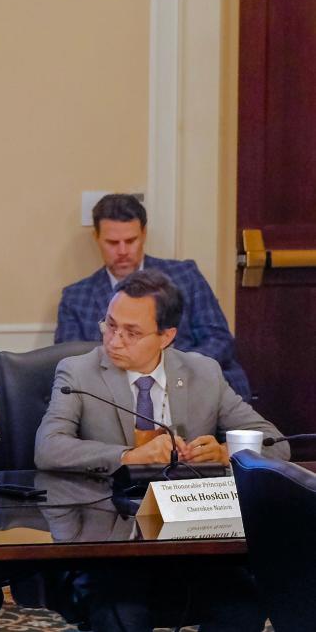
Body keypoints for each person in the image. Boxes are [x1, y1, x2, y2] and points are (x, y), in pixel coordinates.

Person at [37, 269, 282, 632]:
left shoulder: (204, 373)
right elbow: (48, 447)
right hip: (113, 545)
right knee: (121, 611)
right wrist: (126, 456)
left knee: (243, 604)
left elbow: (275, 443)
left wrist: (225, 452)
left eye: (131, 332)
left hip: (193, 543)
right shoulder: (79, 372)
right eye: (110, 325)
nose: (115, 340)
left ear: (167, 336)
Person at [55, 193, 251, 399]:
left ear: (144, 234)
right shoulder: (76, 297)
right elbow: (73, 362)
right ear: (97, 238)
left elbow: (219, 340)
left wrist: (168, 372)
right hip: (117, 397)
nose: (122, 251)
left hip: (191, 385)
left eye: (130, 240)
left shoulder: (185, 276)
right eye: (112, 243)